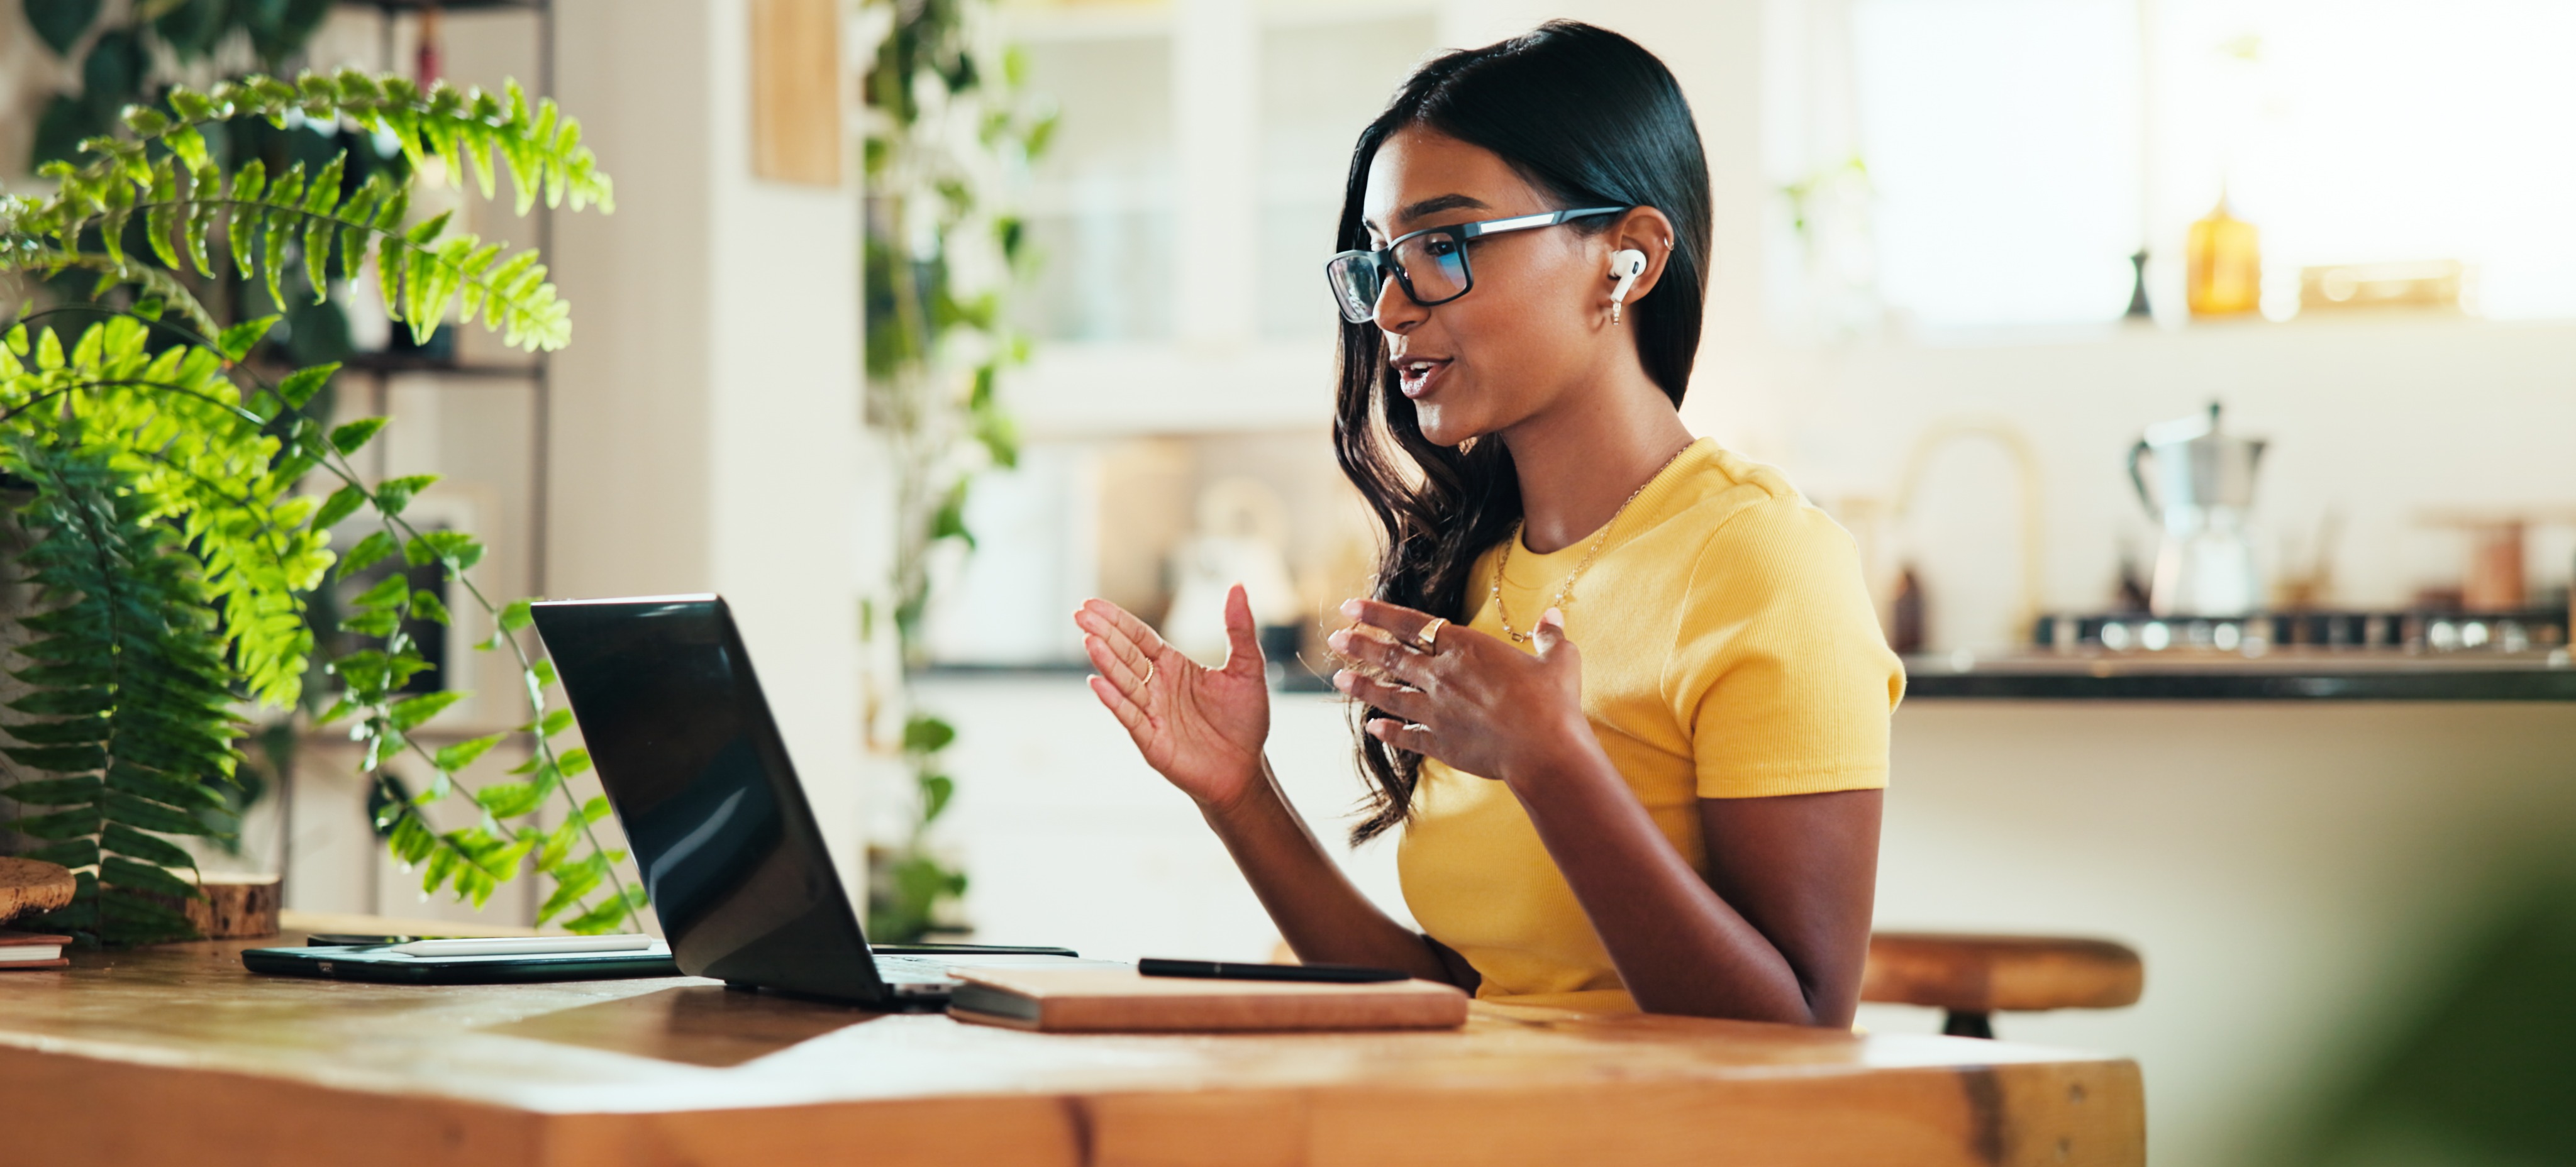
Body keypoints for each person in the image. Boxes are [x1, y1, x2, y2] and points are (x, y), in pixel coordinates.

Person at [1071, 21, 1902, 1025]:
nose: (1390, 310)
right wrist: (1240, 795)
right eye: (1382, 261)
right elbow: (1465, 999)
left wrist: (1553, 764)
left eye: (1447, 245)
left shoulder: (1765, 561)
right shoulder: (1476, 569)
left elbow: (1800, 1035)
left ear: (1627, 260)